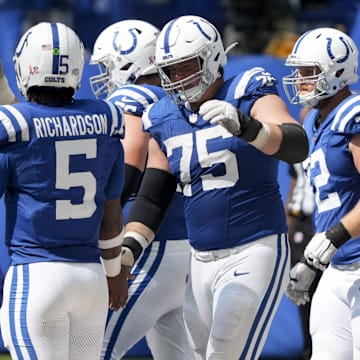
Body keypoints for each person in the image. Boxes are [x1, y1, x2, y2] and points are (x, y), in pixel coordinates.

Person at [117, 14, 309, 359]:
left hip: (255, 247)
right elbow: (154, 194)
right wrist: (129, 249)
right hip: (199, 260)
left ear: (212, 57)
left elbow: (296, 143)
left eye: (185, 66)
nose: (177, 78)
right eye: (170, 70)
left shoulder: (246, 90)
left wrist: (248, 128)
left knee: (224, 352)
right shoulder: (162, 116)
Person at [0, 21, 128, 360]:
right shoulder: (106, 122)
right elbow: (112, 217)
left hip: (36, 275)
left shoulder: (14, 129)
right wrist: (114, 274)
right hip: (91, 280)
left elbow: (31, 129)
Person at [90, 19, 194, 360]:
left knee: (91, 350)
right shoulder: (177, 97)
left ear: (127, 63)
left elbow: (129, 168)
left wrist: (94, 224)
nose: (104, 77)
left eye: (107, 66)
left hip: (150, 251)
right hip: (183, 245)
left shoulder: (133, 98)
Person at [283, 27, 360, 360]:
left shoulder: (352, 115)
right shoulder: (314, 120)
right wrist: (315, 262)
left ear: (338, 71)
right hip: (336, 267)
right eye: (299, 72)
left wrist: (332, 238)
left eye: (309, 72)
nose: (301, 80)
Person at [285, 107, 321, 360]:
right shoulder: (299, 143)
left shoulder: (339, 134)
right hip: (301, 224)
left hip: (326, 224)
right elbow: (295, 183)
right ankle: (310, 350)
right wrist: (287, 226)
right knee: (301, 291)